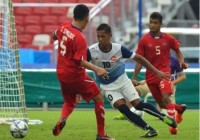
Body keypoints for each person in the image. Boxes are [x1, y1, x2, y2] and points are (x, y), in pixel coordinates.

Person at [87, 23, 177, 138]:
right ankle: (150, 130)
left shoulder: (118, 49)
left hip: (122, 80)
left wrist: (156, 72)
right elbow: (80, 62)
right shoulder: (91, 50)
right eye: (98, 36)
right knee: (123, 109)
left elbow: (140, 58)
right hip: (107, 86)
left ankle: (163, 117)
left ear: (110, 35)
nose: (100, 39)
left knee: (138, 104)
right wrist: (94, 70)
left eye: (103, 36)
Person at [52, 4, 115, 140]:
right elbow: (80, 61)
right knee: (98, 97)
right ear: (87, 18)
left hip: (61, 73)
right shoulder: (79, 38)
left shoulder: (63, 26)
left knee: (70, 101)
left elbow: (53, 36)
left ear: (73, 15)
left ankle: (62, 118)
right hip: (75, 74)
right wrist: (98, 69)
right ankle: (101, 134)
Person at [132, 12, 189, 135]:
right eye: (151, 22)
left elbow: (178, 51)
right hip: (151, 76)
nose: (152, 25)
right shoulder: (144, 40)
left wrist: (181, 62)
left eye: (155, 23)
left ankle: (173, 126)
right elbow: (139, 60)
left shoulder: (168, 38)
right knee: (162, 104)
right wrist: (134, 77)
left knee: (165, 97)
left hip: (164, 74)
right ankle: (179, 109)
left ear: (160, 24)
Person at [114, 55, 186, 119]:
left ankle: (178, 109)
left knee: (166, 112)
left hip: (168, 84)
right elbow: (153, 74)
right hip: (153, 83)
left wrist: (172, 83)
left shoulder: (174, 60)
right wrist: (145, 81)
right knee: (133, 89)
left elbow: (183, 76)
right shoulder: (154, 59)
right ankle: (128, 112)